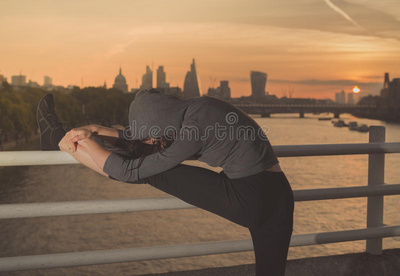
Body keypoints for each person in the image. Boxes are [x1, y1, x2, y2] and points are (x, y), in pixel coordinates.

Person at [37, 89, 294, 275]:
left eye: (153, 137)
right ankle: (58, 139)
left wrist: (89, 142)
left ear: (162, 123)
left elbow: (131, 170)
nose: (152, 142)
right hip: (280, 197)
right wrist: (94, 129)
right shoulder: (198, 110)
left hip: (250, 196)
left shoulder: (195, 130)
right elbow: (137, 138)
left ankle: (57, 139)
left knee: (149, 170)